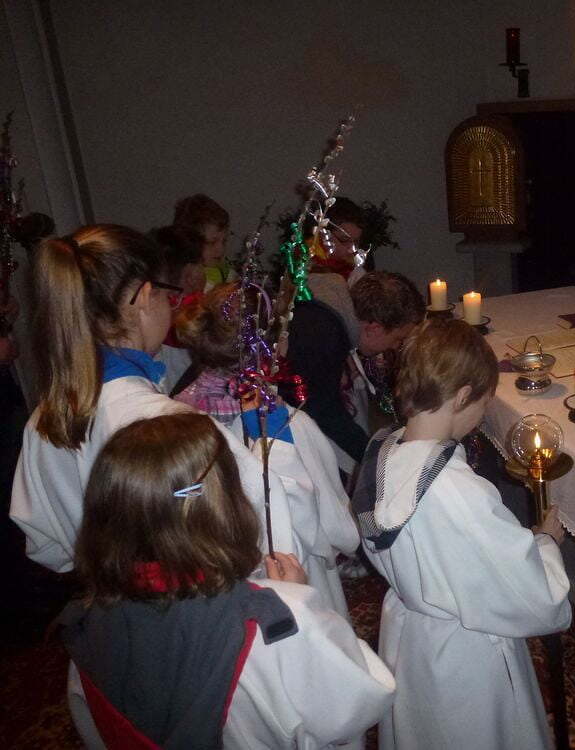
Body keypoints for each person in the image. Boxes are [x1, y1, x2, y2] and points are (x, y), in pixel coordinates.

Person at [59, 413, 395, 749]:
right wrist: (302, 598)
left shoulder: (85, 626)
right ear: (223, 505)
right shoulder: (277, 621)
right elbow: (357, 703)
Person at [9, 226, 320, 577]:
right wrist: (274, 444)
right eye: (169, 296)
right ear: (145, 296)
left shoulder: (47, 416)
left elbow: (47, 546)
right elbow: (277, 543)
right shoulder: (174, 428)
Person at [352, 318, 572, 750]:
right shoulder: (456, 491)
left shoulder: (383, 450)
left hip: (412, 634)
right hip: (464, 651)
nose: (481, 416)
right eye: (483, 405)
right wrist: (545, 544)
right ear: (462, 396)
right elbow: (529, 594)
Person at [174, 281, 362, 616]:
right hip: (292, 575)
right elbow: (332, 525)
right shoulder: (286, 425)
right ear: (271, 345)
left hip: (217, 585)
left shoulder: (174, 417)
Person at [286, 270, 424, 473]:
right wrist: (380, 460)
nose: (396, 347)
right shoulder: (323, 334)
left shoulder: (332, 304)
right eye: (398, 339)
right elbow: (326, 413)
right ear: (374, 328)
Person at [149, 224, 206, 394]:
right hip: (182, 383)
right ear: (189, 274)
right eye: (202, 265)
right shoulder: (194, 307)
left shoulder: (157, 301)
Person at [173, 193, 232, 291]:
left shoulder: (226, 272)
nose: (221, 249)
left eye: (224, 241)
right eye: (211, 242)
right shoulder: (179, 276)